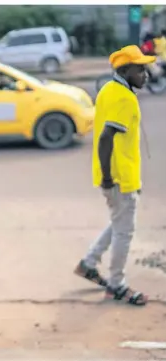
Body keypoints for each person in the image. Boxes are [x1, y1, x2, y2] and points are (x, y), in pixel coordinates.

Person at [74, 45, 156, 307]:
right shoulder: (123, 97)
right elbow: (106, 138)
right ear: (124, 70)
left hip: (119, 176)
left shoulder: (110, 90)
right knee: (125, 231)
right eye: (140, 69)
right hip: (118, 178)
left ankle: (89, 263)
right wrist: (110, 177)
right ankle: (116, 285)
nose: (146, 74)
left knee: (119, 222)